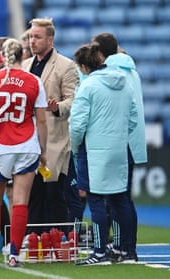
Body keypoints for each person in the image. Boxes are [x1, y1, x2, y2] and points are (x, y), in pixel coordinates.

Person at [0, 38, 48, 268]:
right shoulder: (34, 81)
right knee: (20, 201)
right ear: (22, 56)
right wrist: (43, 150)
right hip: (26, 146)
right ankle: (14, 253)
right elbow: (41, 120)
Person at [70, 43, 137, 266]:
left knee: (96, 199)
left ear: (83, 66)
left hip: (92, 151)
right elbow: (133, 118)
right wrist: (117, 136)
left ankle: (99, 253)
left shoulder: (88, 86)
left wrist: (75, 146)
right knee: (120, 200)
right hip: (119, 148)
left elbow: (77, 125)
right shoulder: (125, 82)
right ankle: (126, 251)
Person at [91, 33, 147, 263]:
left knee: (116, 199)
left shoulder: (110, 73)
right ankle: (127, 249)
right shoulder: (131, 70)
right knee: (123, 198)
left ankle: (123, 249)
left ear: (100, 52)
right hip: (131, 141)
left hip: (114, 140)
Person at [21, 18, 78, 235]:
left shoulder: (66, 65)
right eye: (30, 37)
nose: (32, 41)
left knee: (54, 195)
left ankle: (58, 240)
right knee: (32, 195)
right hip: (27, 139)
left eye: (37, 37)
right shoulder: (25, 66)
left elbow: (73, 100)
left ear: (50, 39)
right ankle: (33, 240)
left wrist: (57, 107)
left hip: (55, 140)